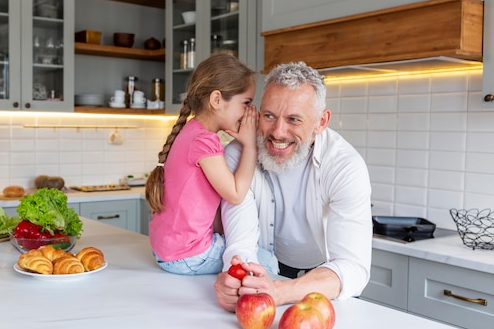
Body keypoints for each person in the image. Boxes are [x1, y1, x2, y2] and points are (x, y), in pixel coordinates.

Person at [213, 61, 372, 312]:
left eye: (294, 119)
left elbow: (353, 267)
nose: (278, 132)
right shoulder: (237, 155)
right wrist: (235, 279)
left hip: (324, 284)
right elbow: (240, 243)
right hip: (264, 271)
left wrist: (280, 291)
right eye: (269, 116)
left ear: (321, 122)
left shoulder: (345, 166)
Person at [145, 54, 259, 275]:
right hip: (187, 256)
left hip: (166, 252)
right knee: (266, 261)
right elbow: (235, 194)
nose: (248, 112)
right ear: (217, 100)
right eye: (246, 103)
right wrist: (250, 145)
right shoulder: (204, 141)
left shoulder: (191, 132)